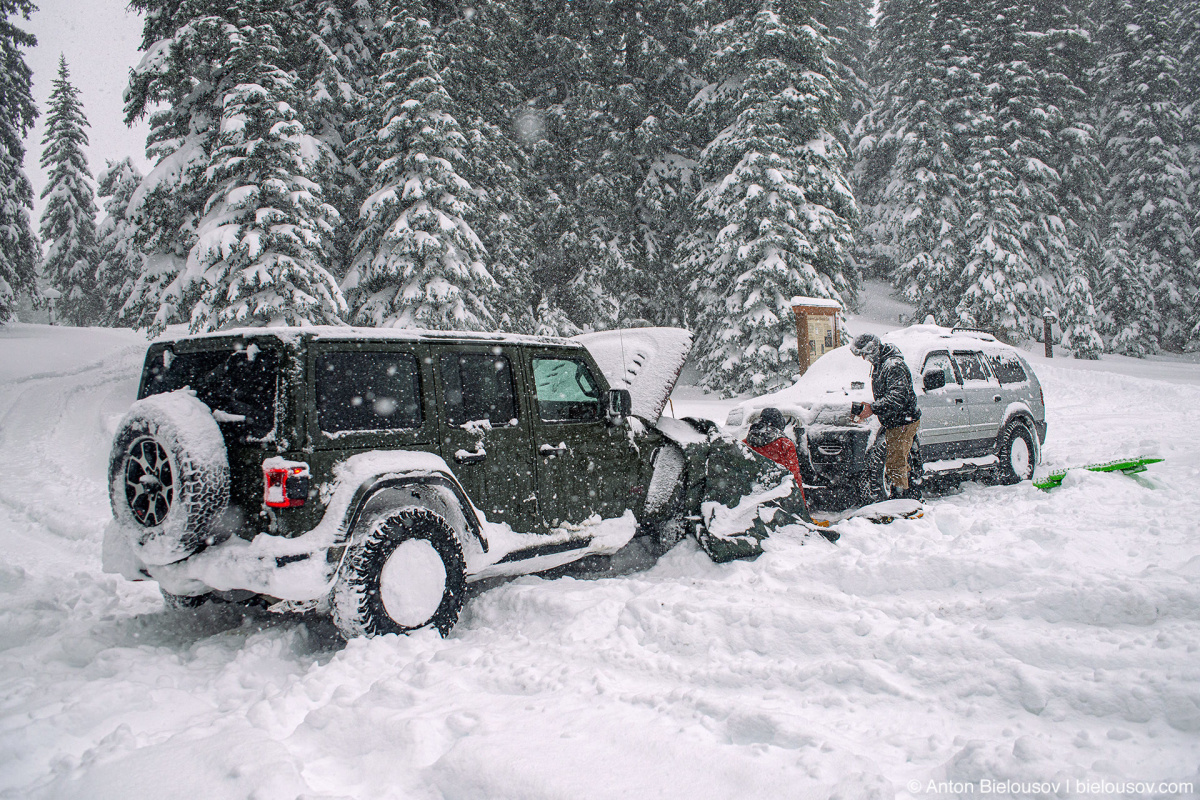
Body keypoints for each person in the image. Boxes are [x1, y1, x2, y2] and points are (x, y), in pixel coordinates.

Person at [849, 333, 921, 498]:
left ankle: (902, 501)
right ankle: (908, 495)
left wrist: (873, 408)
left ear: (872, 349)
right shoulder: (883, 364)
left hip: (902, 421)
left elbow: (898, 397)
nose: (864, 359)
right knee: (899, 460)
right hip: (895, 421)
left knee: (896, 464)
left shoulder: (893, 365)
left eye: (864, 354)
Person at [745, 407, 807, 509]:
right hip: (778, 499)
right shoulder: (785, 444)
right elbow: (794, 476)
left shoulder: (745, 443)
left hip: (752, 499)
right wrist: (802, 506)